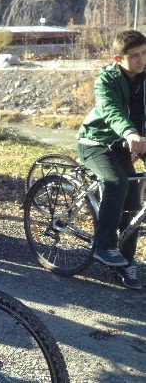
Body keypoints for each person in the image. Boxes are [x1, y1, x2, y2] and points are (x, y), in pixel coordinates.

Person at [77, 30, 146, 290]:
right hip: (97, 142)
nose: (141, 60)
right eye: (134, 56)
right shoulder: (106, 79)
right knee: (117, 182)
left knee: (134, 201)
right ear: (118, 59)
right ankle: (104, 245)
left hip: (132, 142)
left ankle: (126, 264)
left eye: (144, 53)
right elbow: (111, 110)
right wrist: (129, 132)